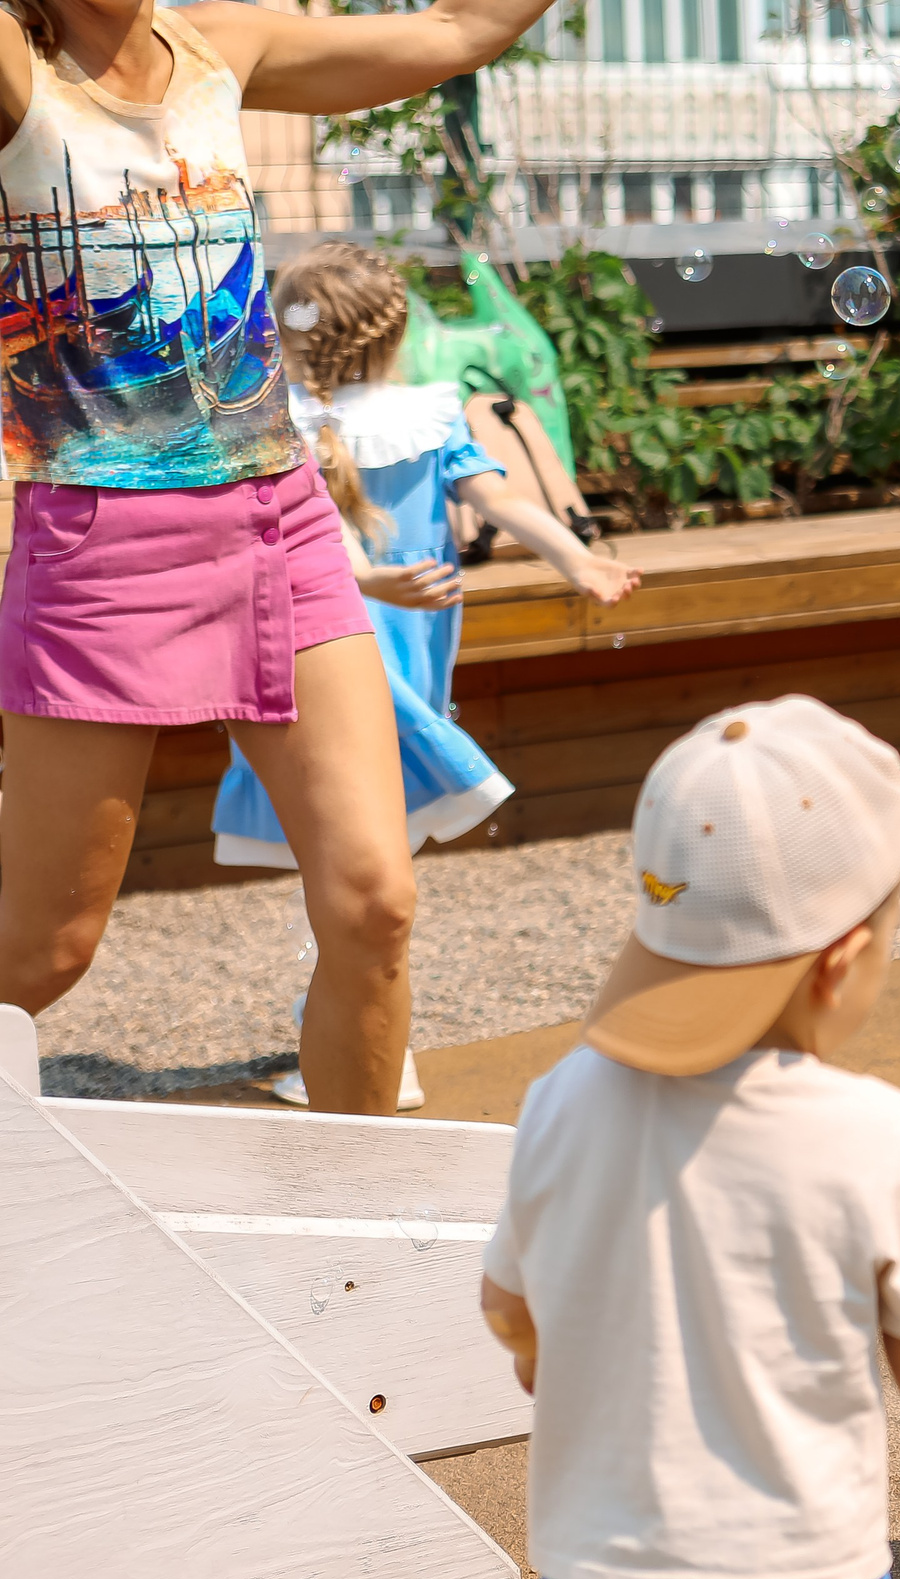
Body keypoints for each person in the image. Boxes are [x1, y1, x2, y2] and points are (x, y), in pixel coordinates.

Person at [0, 0, 558, 1112]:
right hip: (102, 544)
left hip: (282, 521)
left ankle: (346, 1234)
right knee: (41, 956)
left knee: (374, 903)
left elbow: (458, 34)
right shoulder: (22, 61)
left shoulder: (222, 41)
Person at [479, 696, 900, 1579]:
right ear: (846, 958)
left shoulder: (561, 1099)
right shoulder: (875, 1130)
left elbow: (508, 1304)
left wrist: (545, 1359)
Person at [209, 242, 640, 1111]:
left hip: (335, 644)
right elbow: (498, 504)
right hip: (377, 642)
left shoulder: (304, 419)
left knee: (344, 851)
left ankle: (363, 1046)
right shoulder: (387, 417)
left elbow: (491, 502)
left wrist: (577, 560)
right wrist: (577, 559)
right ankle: (359, 1039)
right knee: (371, 846)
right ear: (394, 332)